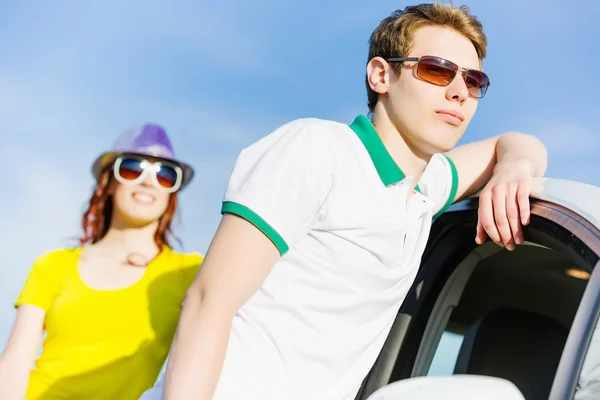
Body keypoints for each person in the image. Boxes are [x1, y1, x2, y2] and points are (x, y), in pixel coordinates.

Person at [141, 3, 548, 400]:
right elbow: (208, 300)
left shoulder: (426, 188)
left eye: (473, 81)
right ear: (381, 75)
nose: (459, 91)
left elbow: (515, 144)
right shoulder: (320, 150)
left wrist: (514, 167)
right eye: (436, 70)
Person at [0, 124, 203, 400]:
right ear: (108, 183)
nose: (148, 181)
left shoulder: (189, 272)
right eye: (133, 168)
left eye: (165, 175)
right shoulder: (52, 265)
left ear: (171, 193)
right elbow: (15, 362)